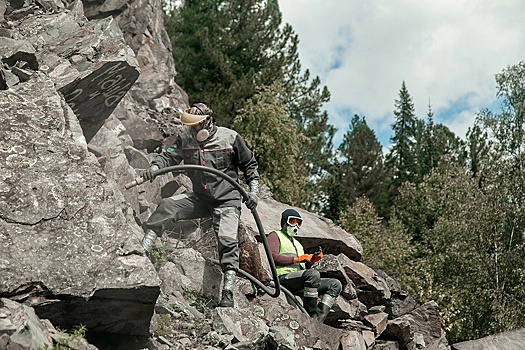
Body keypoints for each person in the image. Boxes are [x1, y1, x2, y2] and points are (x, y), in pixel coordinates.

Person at [139, 103, 259, 308]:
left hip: (227, 199)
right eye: (190, 126)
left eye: (196, 125)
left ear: (207, 121)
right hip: (200, 198)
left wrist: (253, 191)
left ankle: (228, 293)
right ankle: (142, 252)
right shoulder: (186, 138)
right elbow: (169, 156)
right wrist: (155, 166)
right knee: (168, 205)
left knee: (227, 240)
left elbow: (249, 164)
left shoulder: (229, 137)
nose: (193, 130)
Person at [267, 209, 342, 323]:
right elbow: (272, 256)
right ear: (284, 222)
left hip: (298, 280)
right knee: (313, 275)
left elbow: (303, 269)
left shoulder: (298, 244)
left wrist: (311, 260)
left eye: (299, 222)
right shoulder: (275, 235)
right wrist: (297, 259)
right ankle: (310, 314)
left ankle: (319, 319)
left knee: (335, 284)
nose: (296, 225)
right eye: (292, 221)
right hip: (282, 277)